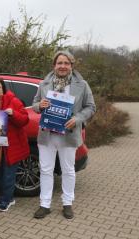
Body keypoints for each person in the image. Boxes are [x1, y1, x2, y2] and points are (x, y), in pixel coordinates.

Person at [32, 50, 96, 219]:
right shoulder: (44, 84)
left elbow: (91, 107)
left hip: (68, 134)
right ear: (54, 66)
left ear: (71, 66)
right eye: (59, 63)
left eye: (66, 63)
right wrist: (41, 105)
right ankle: (44, 204)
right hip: (47, 134)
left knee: (68, 170)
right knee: (45, 170)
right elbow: (34, 105)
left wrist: (77, 118)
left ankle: (67, 203)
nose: (62, 66)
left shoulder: (82, 84)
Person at [0, 78, 30, 212]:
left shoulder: (13, 101)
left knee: (8, 174)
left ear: (3, 89)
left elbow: (25, 120)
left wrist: (13, 113)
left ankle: (6, 200)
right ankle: (7, 197)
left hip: (11, 145)